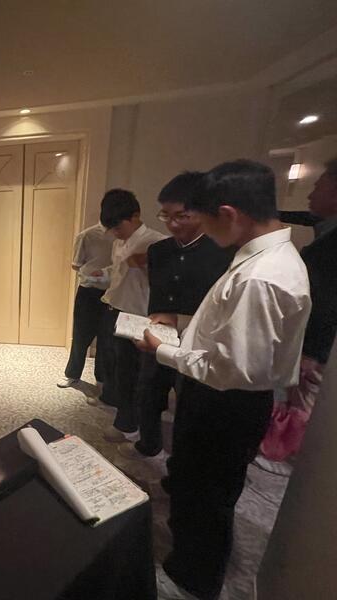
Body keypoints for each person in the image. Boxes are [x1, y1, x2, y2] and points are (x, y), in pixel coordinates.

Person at [139, 160, 311, 600]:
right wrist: (180, 322)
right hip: (226, 397)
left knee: (206, 497)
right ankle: (191, 562)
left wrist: (163, 351)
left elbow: (235, 369)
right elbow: (232, 332)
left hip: (225, 401)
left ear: (229, 214)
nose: (202, 229)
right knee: (198, 487)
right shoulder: (268, 259)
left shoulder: (261, 277)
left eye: (204, 219)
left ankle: (192, 579)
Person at [122, 172, 234, 461]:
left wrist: (179, 319)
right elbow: (157, 294)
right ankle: (148, 445)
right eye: (166, 216)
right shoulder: (158, 251)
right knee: (147, 394)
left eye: (182, 216)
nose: (172, 224)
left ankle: (182, 463)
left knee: (190, 405)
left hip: (199, 345)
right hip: (157, 339)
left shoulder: (226, 253)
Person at [259, 156, 337, 465]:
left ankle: (292, 461)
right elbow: (306, 216)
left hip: (315, 348)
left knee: (301, 409)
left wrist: (312, 351)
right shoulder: (326, 225)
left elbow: (328, 304)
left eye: (320, 185)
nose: (311, 191)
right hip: (305, 342)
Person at [97, 189, 167, 439]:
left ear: (135, 215)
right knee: (115, 365)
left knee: (134, 373)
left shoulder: (156, 242)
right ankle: (121, 411)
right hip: (115, 307)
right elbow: (119, 274)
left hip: (139, 315)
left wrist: (145, 265)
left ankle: (128, 425)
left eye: (118, 226)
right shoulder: (119, 242)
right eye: (112, 229)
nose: (116, 232)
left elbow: (164, 284)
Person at [56, 219, 114, 392]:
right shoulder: (87, 235)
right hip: (89, 291)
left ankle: (102, 379)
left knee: (106, 338)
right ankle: (72, 374)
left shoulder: (123, 236)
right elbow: (76, 264)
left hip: (113, 292)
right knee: (81, 335)